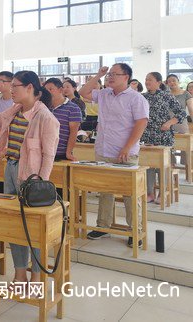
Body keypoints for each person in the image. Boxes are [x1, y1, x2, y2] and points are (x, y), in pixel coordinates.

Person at [0, 70, 59, 285]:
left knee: (33, 229)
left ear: (29, 88)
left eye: (14, 86)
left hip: (31, 178)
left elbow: (49, 156)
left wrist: (40, 184)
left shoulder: (45, 117)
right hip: (11, 168)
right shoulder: (15, 110)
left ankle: (36, 277)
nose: (11, 90)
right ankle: (20, 274)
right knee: (15, 225)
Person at [80, 64, 149, 247]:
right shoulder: (104, 94)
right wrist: (98, 75)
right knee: (105, 191)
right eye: (109, 74)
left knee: (130, 194)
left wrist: (127, 147)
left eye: (114, 74)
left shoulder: (136, 98)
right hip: (104, 150)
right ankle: (103, 226)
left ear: (126, 77)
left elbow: (141, 124)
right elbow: (83, 92)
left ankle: (135, 230)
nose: (110, 77)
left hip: (125, 153)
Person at [141, 73, 186, 203]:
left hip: (164, 136)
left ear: (159, 82)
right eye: (146, 79)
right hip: (147, 136)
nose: (147, 82)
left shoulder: (167, 95)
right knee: (148, 165)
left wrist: (170, 123)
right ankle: (149, 193)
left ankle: (162, 193)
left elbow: (181, 113)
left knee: (163, 165)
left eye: (150, 79)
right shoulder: (143, 97)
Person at [44, 78, 82, 161]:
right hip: (44, 152)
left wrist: (68, 153)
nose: (47, 92)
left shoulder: (73, 108)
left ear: (60, 90)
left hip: (62, 154)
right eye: (46, 90)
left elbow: (73, 133)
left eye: (50, 89)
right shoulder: (44, 107)